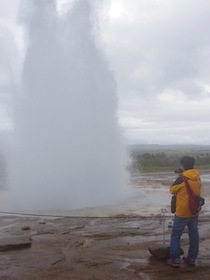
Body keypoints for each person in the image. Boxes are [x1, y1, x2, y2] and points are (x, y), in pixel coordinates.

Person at [167, 156, 202, 267]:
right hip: (194, 211)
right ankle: (191, 258)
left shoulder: (182, 179)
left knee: (176, 236)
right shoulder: (197, 177)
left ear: (183, 166)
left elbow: (172, 190)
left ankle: (175, 259)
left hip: (182, 213)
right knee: (194, 235)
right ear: (194, 164)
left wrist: (180, 176)